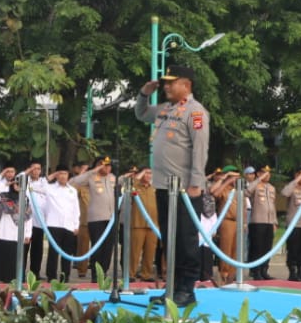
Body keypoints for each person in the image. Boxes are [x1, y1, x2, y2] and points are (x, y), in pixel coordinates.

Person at [134, 64, 210, 308]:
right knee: (170, 238)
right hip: (163, 186)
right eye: (165, 82)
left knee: (186, 239)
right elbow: (141, 114)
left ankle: (187, 290)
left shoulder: (196, 113)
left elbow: (200, 149)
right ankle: (172, 287)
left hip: (185, 189)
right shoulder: (165, 109)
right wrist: (144, 94)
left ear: (186, 85)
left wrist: (196, 183)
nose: (166, 86)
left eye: (171, 82)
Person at [71, 157, 118, 281]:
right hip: (96, 219)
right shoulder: (90, 177)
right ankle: (96, 275)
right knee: (98, 247)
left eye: (109, 166)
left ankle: (104, 272)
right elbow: (74, 182)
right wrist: (93, 170)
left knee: (108, 248)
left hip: (111, 219)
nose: (107, 168)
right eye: (104, 165)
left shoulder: (113, 178)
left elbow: (126, 182)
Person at [245, 166, 277, 281]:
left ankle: (264, 270)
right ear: (259, 174)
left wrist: (274, 222)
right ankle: (255, 271)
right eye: (264, 173)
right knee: (257, 247)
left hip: (269, 222)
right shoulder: (254, 185)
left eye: (268, 173)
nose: (267, 175)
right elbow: (247, 192)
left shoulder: (272, 188)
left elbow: (273, 206)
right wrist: (258, 179)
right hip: (257, 221)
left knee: (267, 247)